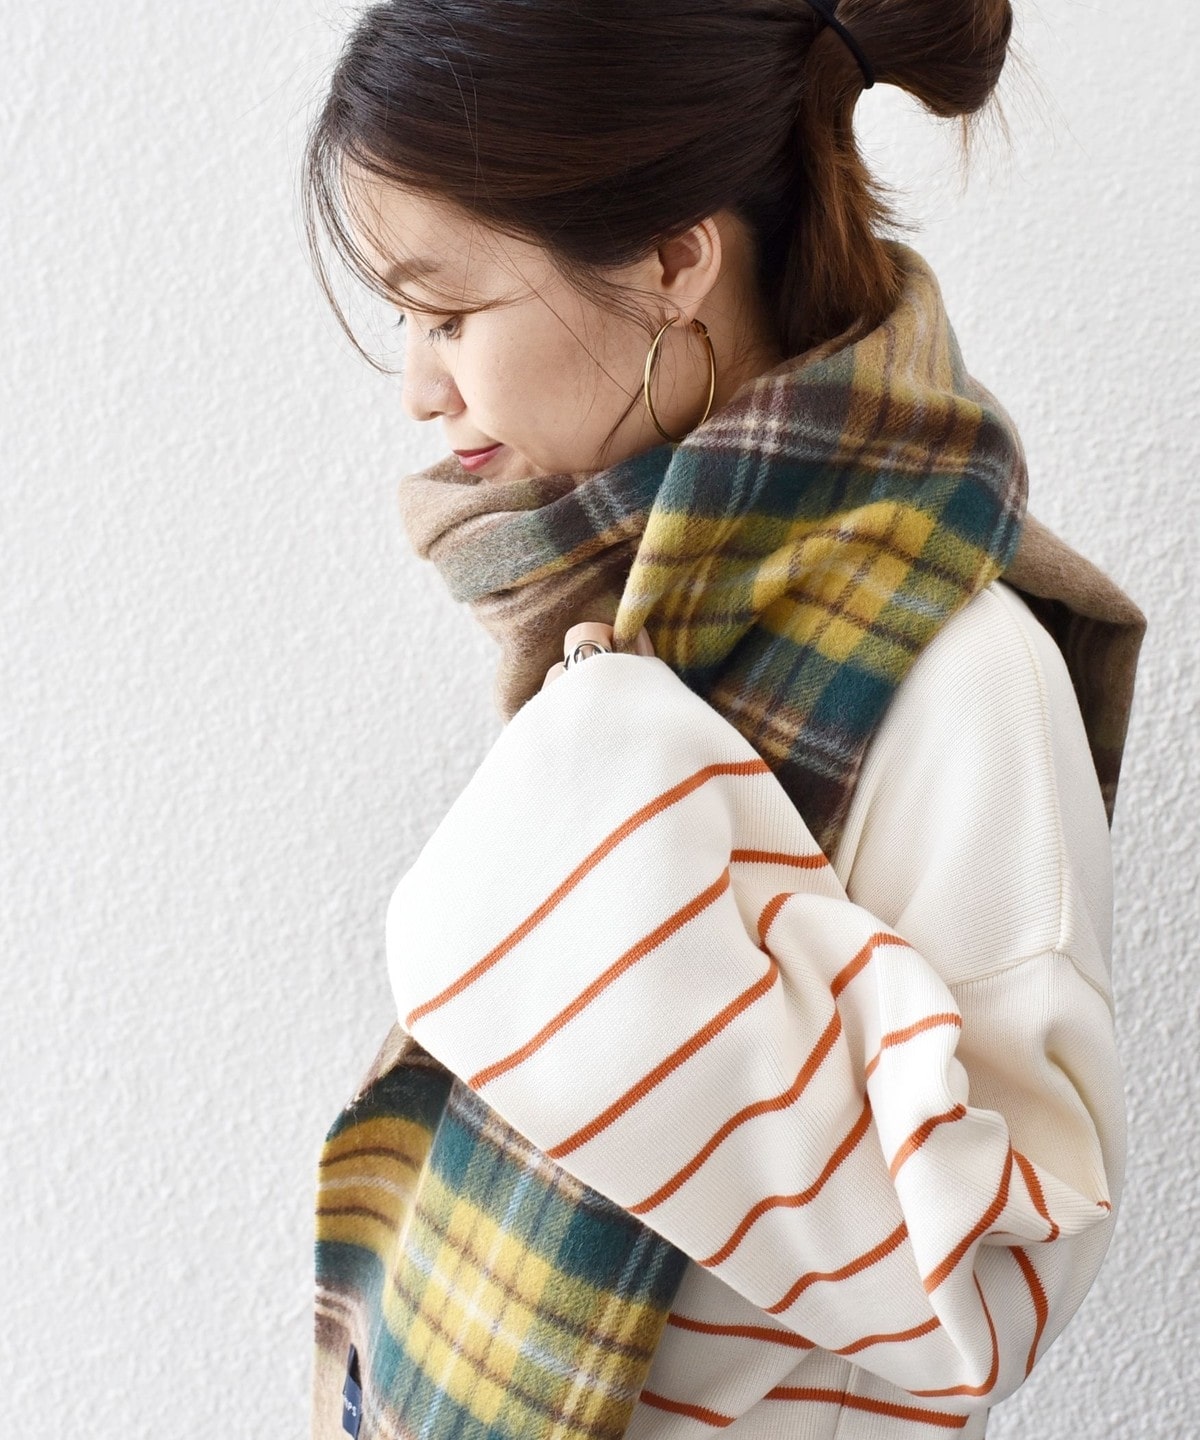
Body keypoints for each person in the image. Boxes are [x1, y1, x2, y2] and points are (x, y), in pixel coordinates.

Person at [302, 3, 1147, 1438]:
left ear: (669, 259)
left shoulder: (961, 673)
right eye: (404, 321)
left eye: (448, 314)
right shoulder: (636, 622)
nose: (421, 392)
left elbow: (1003, 1276)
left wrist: (611, 911)